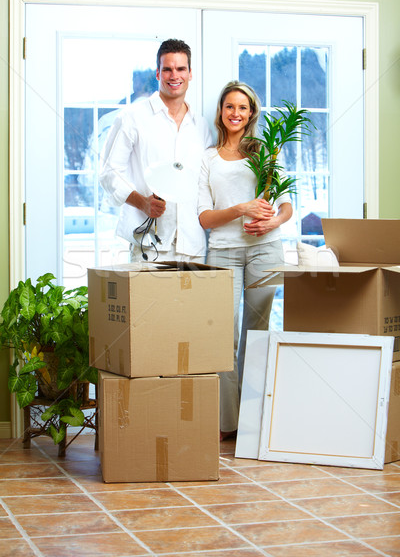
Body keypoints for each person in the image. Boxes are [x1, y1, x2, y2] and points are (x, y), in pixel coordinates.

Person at [198, 80, 293, 438]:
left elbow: (286, 204)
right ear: (220, 113)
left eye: (243, 107)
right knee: (223, 335)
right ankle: (227, 422)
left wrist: (274, 219)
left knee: (257, 333)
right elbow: (205, 218)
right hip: (223, 251)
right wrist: (241, 209)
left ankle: (252, 422)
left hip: (265, 248)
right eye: (229, 107)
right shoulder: (207, 158)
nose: (235, 113)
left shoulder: (266, 152)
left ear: (251, 113)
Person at [100, 39, 212, 263]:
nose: (174, 76)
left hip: (193, 245)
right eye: (167, 69)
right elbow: (109, 173)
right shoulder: (132, 117)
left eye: (181, 69)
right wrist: (142, 202)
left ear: (190, 73)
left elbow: (206, 181)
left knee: (196, 300)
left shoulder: (201, 125)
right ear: (158, 74)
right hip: (149, 245)